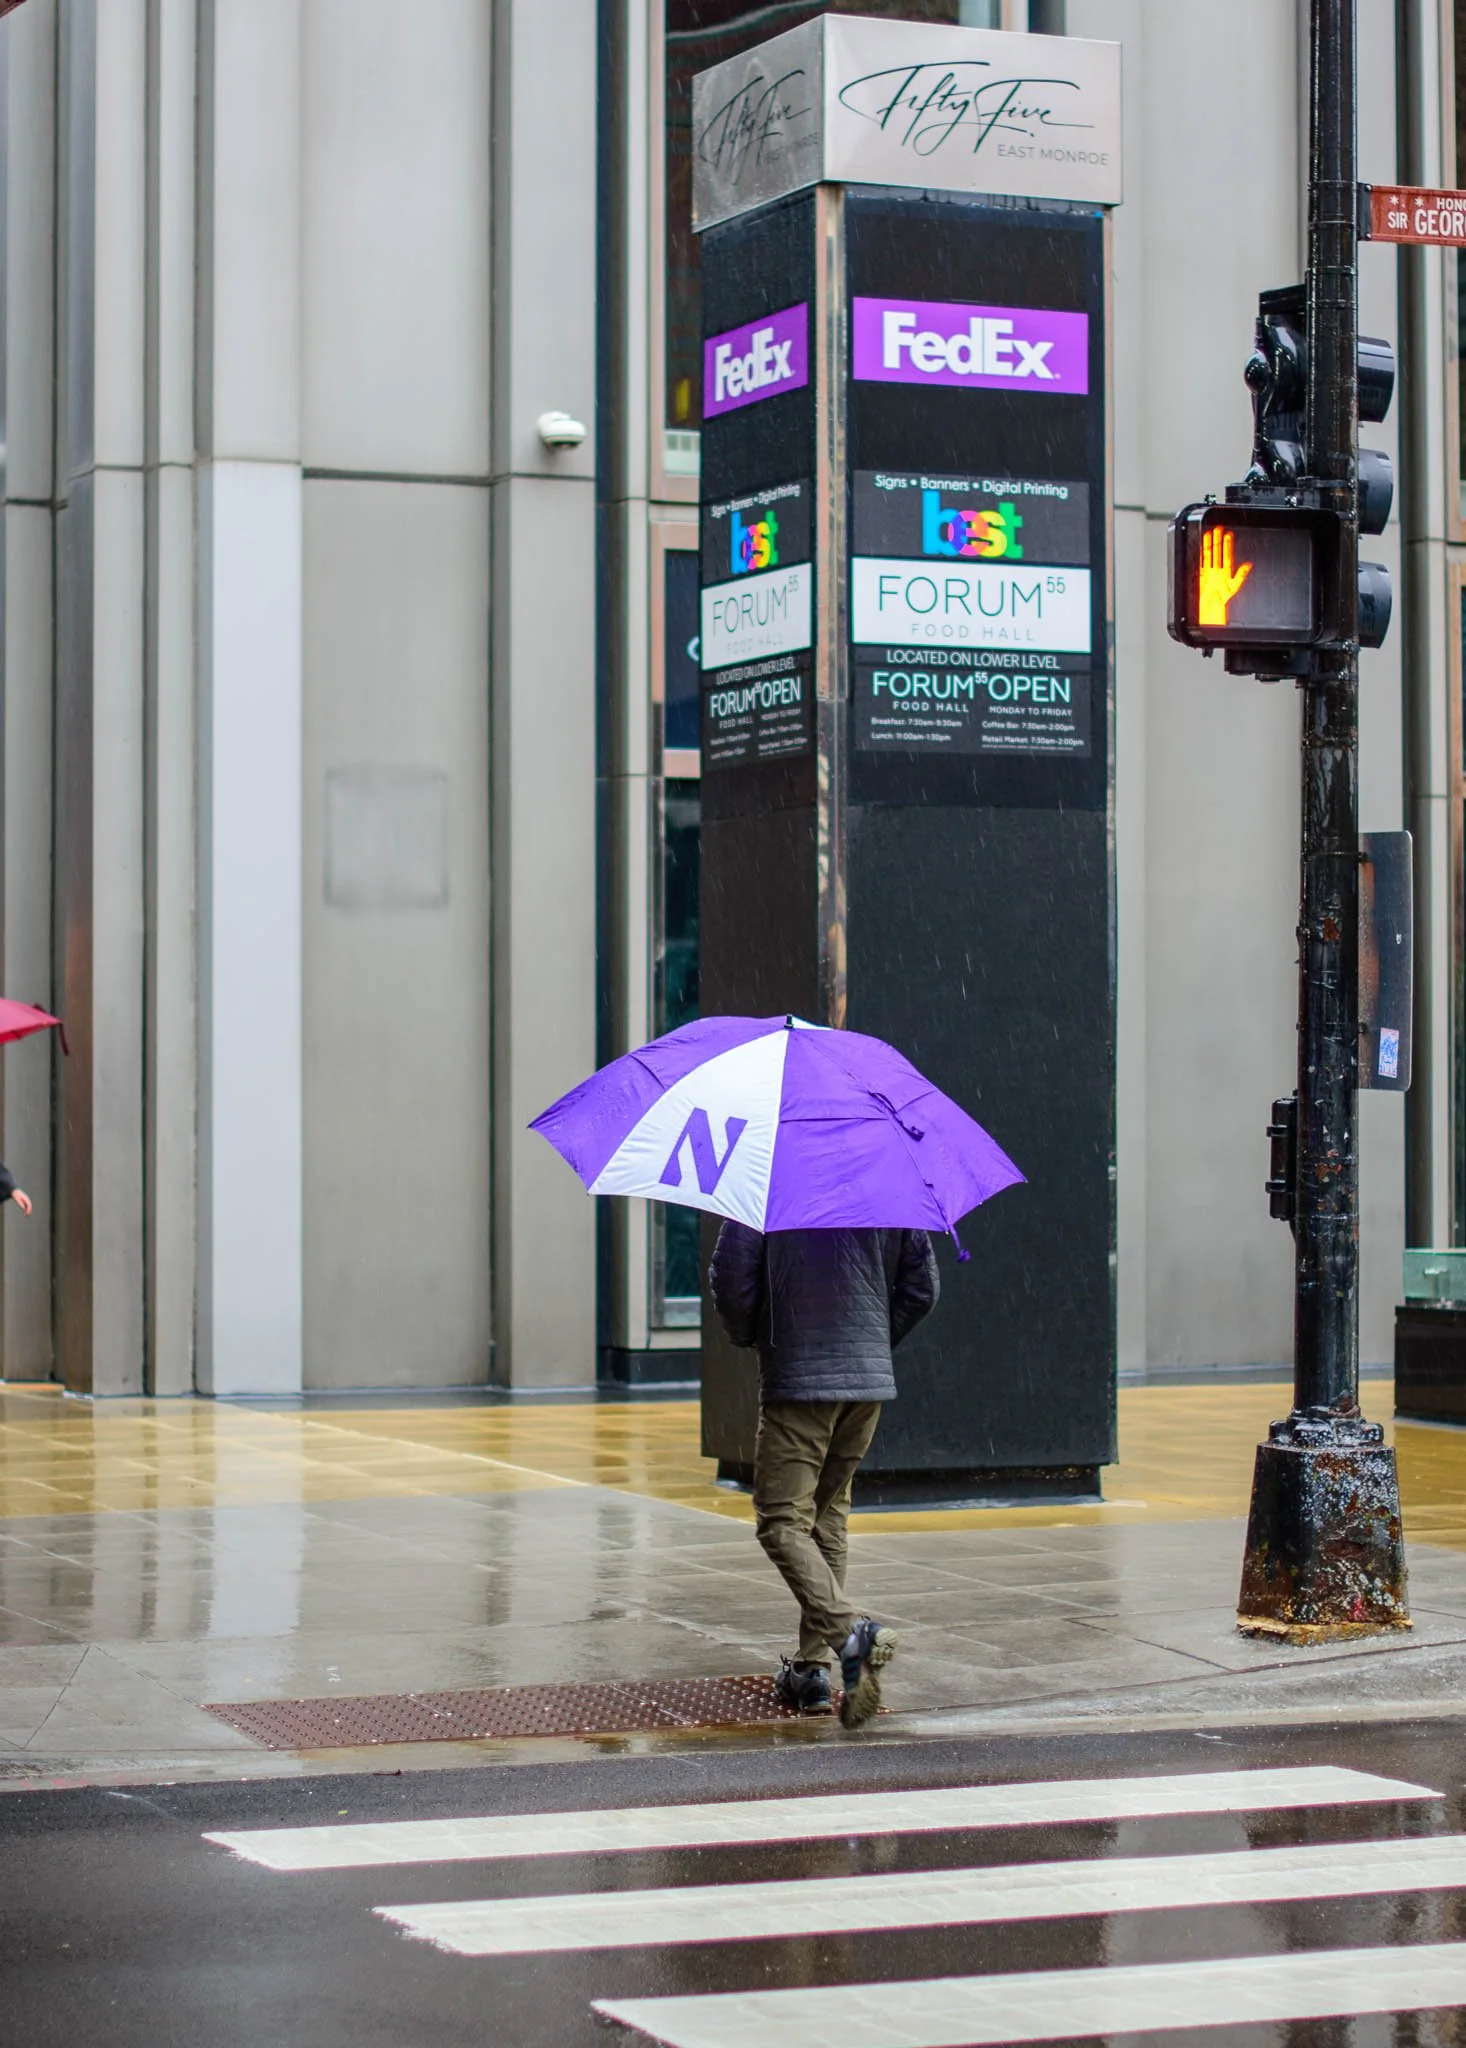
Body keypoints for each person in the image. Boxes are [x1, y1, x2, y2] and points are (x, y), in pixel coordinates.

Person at [708, 1222, 939, 1730]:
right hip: (866, 1386)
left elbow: (731, 1280)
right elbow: (923, 1288)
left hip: (799, 1377)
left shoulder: (766, 1174)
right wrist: (870, 1341)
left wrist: (758, 1335)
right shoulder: (887, 1173)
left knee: (781, 1521)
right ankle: (816, 1672)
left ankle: (852, 1634)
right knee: (827, 1515)